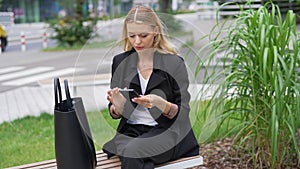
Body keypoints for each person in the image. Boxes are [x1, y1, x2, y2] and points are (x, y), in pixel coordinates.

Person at [103, 5, 199, 169]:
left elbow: (183, 113)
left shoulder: (174, 63)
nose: (137, 41)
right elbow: (115, 111)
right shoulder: (120, 62)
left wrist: (162, 104)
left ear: (155, 31)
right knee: (130, 151)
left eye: (143, 35)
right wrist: (117, 107)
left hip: (167, 132)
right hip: (131, 132)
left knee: (132, 152)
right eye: (132, 36)